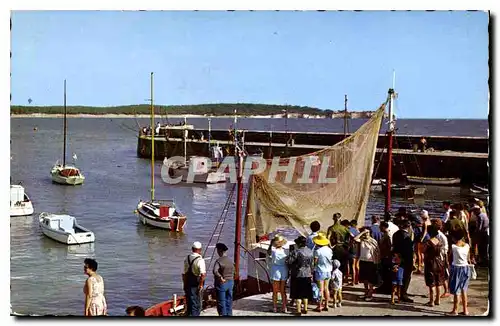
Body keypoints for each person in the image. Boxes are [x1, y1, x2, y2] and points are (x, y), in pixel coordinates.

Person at [286, 236, 313, 315]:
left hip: (297, 274)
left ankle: (298, 310)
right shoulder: (310, 251)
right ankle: (305, 308)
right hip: (307, 273)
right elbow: (312, 264)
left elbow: (289, 261)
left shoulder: (296, 252)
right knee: (305, 293)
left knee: (297, 294)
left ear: (299, 243)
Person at [448, 229, 471, 316]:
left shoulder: (453, 247)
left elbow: (449, 256)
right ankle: (465, 310)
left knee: (456, 291)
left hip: (456, 269)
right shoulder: (467, 246)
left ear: (454, 238)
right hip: (465, 268)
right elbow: (468, 258)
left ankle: (455, 310)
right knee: (464, 290)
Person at [422, 224, 446, 307]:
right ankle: (437, 299)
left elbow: (423, 250)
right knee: (438, 282)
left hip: (430, 262)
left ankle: (431, 301)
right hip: (439, 262)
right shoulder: (438, 241)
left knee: (431, 283)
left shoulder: (428, 242)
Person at [355, 228, 381, 301]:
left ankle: (370, 294)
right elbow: (355, 239)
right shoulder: (362, 240)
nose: (366, 234)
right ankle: (366, 292)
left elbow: (377, 251)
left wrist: (377, 261)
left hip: (371, 262)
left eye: (367, 232)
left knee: (371, 279)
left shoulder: (373, 241)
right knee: (364, 278)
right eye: (365, 233)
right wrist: (362, 232)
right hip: (363, 261)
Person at [392, 220, 414, 303]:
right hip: (406, 260)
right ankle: (402, 294)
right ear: (408, 227)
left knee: (396, 277)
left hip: (396, 257)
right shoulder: (407, 237)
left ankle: (395, 294)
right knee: (406, 277)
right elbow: (409, 251)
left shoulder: (396, 234)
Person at [183, 241, 206, 316]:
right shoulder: (200, 260)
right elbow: (203, 274)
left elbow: (184, 273)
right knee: (197, 303)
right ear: (200, 250)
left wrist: (184, 284)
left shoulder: (187, 258)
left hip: (188, 282)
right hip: (196, 283)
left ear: (192, 249)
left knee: (189, 301)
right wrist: (201, 285)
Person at [267, 234, 288, 313]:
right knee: (283, 291)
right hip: (284, 269)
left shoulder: (273, 251)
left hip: (276, 270)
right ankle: (284, 307)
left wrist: (270, 244)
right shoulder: (286, 251)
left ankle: (275, 308)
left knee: (275, 291)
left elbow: (268, 252)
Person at [312, 232, 333, 312]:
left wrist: (312, 269)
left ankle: (319, 306)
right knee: (326, 288)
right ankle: (326, 305)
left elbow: (315, 262)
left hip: (320, 271)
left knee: (320, 290)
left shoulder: (318, 251)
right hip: (328, 270)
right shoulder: (329, 250)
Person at [213, 242, 234, 316]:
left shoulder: (219, 261)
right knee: (229, 301)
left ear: (219, 250)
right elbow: (233, 271)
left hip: (222, 283)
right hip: (230, 283)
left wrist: (220, 277)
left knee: (221, 302)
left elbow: (215, 271)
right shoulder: (230, 260)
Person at [432, 218, 451, 299]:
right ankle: (434, 291)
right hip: (436, 256)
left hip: (441, 256)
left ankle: (446, 290)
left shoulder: (441, 235)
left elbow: (445, 248)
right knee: (436, 274)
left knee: (442, 275)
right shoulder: (435, 234)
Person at [375, 221, 393, 295]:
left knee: (386, 273)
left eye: (380, 227)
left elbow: (390, 246)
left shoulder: (388, 235)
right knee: (383, 273)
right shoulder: (384, 234)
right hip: (384, 256)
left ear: (383, 227)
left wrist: (387, 255)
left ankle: (387, 288)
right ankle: (383, 287)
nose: (379, 228)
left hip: (386, 257)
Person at [347, 220, 360, 285]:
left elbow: (351, 238)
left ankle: (353, 281)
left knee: (352, 266)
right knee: (357, 265)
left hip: (352, 248)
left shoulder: (350, 230)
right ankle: (357, 280)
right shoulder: (358, 231)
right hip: (358, 249)